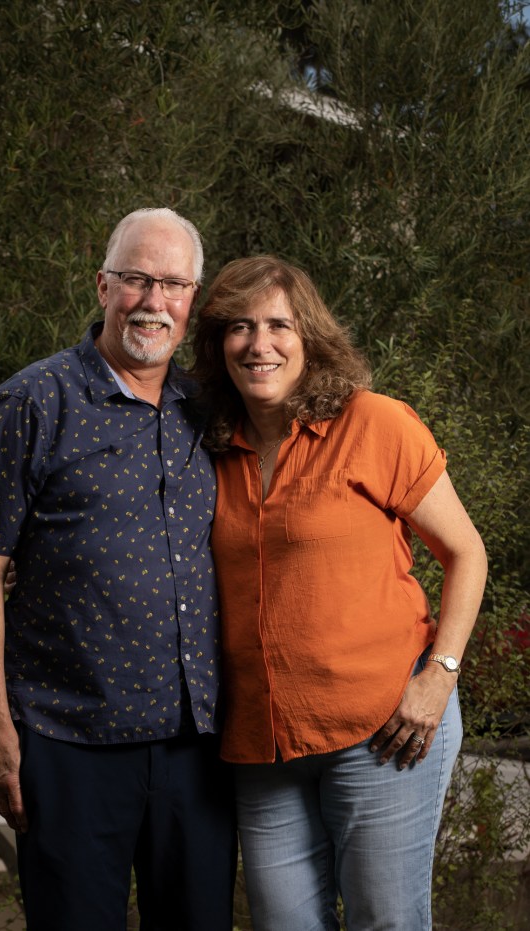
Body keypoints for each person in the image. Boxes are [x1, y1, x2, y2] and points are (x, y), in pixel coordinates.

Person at [0, 208, 236, 931]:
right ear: (103, 285)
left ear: (192, 299)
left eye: (172, 284)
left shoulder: (204, 410)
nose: (153, 300)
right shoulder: (32, 403)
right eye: (137, 279)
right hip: (68, 741)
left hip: (194, 746)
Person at [192, 255, 488, 931]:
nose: (258, 343)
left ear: (310, 336)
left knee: (386, 919)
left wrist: (438, 677)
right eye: (238, 326)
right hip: (261, 743)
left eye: (277, 324)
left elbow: (467, 552)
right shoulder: (209, 446)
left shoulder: (374, 423)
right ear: (217, 344)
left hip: (384, 728)